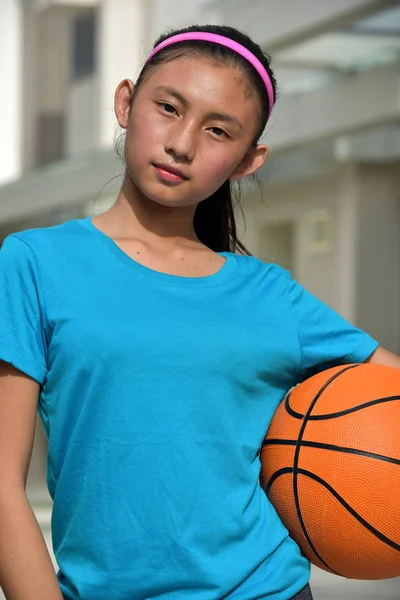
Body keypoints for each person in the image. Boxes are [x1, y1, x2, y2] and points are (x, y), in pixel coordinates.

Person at [0, 23, 399, 600]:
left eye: (218, 131)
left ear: (248, 160)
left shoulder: (270, 294)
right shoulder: (35, 262)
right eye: (168, 107)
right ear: (125, 102)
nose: (182, 143)